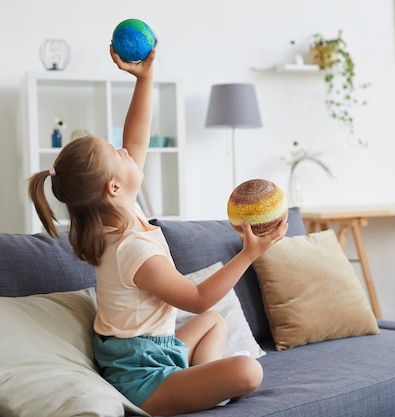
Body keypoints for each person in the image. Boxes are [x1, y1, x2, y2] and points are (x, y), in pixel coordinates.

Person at [28, 44, 287, 416]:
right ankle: (205, 384)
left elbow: (136, 138)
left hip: (155, 349)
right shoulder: (132, 249)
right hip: (141, 377)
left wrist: (145, 78)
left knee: (214, 323)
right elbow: (196, 298)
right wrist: (250, 253)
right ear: (113, 188)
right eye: (116, 154)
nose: (125, 151)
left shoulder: (116, 214)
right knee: (247, 370)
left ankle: (202, 380)